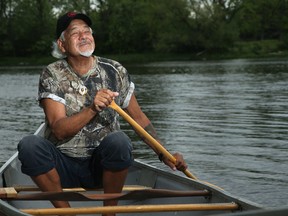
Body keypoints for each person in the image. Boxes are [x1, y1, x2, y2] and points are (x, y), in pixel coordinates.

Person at [17, 11, 188, 215]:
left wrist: (163, 153)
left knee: (119, 141)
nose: (83, 36)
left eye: (87, 31)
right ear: (62, 45)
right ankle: (65, 212)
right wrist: (92, 108)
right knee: (29, 146)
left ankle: (109, 212)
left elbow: (139, 118)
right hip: (63, 168)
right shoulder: (52, 73)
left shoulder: (114, 70)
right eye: (75, 33)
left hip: (103, 168)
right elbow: (59, 130)